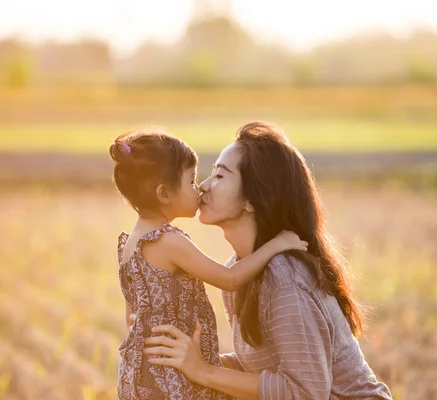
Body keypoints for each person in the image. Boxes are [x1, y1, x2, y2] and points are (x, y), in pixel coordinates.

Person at [143, 121, 392, 399]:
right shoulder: (238, 272)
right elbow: (259, 370)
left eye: (221, 176)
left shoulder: (285, 279)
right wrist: (194, 357)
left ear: (252, 200)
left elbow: (305, 392)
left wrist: (204, 371)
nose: (203, 186)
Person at [109, 128, 308, 399]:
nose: (200, 188)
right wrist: (277, 244)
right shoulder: (169, 241)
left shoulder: (129, 245)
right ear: (164, 194)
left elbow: (132, 318)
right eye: (191, 181)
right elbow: (230, 278)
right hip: (171, 378)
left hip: (141, 374)